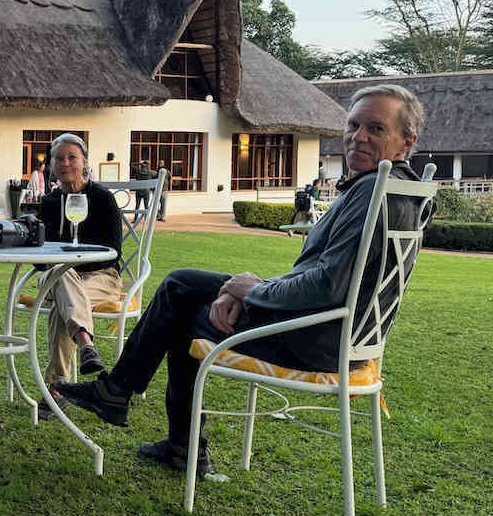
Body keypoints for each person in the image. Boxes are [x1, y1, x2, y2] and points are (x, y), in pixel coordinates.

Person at [53, 84, 427, 478]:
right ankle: (141, 412)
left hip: (312, 338)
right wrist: (241, 288)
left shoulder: (373, 193)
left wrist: (254, 292)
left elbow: (325, 286)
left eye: (376, 129)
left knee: (180, 309)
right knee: (183, 285)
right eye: (353, 125)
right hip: (334, 332)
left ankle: (140, 410)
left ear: (406, 142)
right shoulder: (398, 189)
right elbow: (330, 278)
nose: (358, 136)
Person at [37, 134, 123, 385]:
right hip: (55, 278)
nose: (65, 163)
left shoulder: (102, 198)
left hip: (101, 278)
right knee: (62, 275)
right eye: (59, 158)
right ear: (52, 164)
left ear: (84, 162)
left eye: (72, 157)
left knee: (62, 306)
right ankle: (86, 343)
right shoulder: (49, 202)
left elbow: (113, 250)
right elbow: (38, 253)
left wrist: (74, 264)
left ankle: (57, 388)